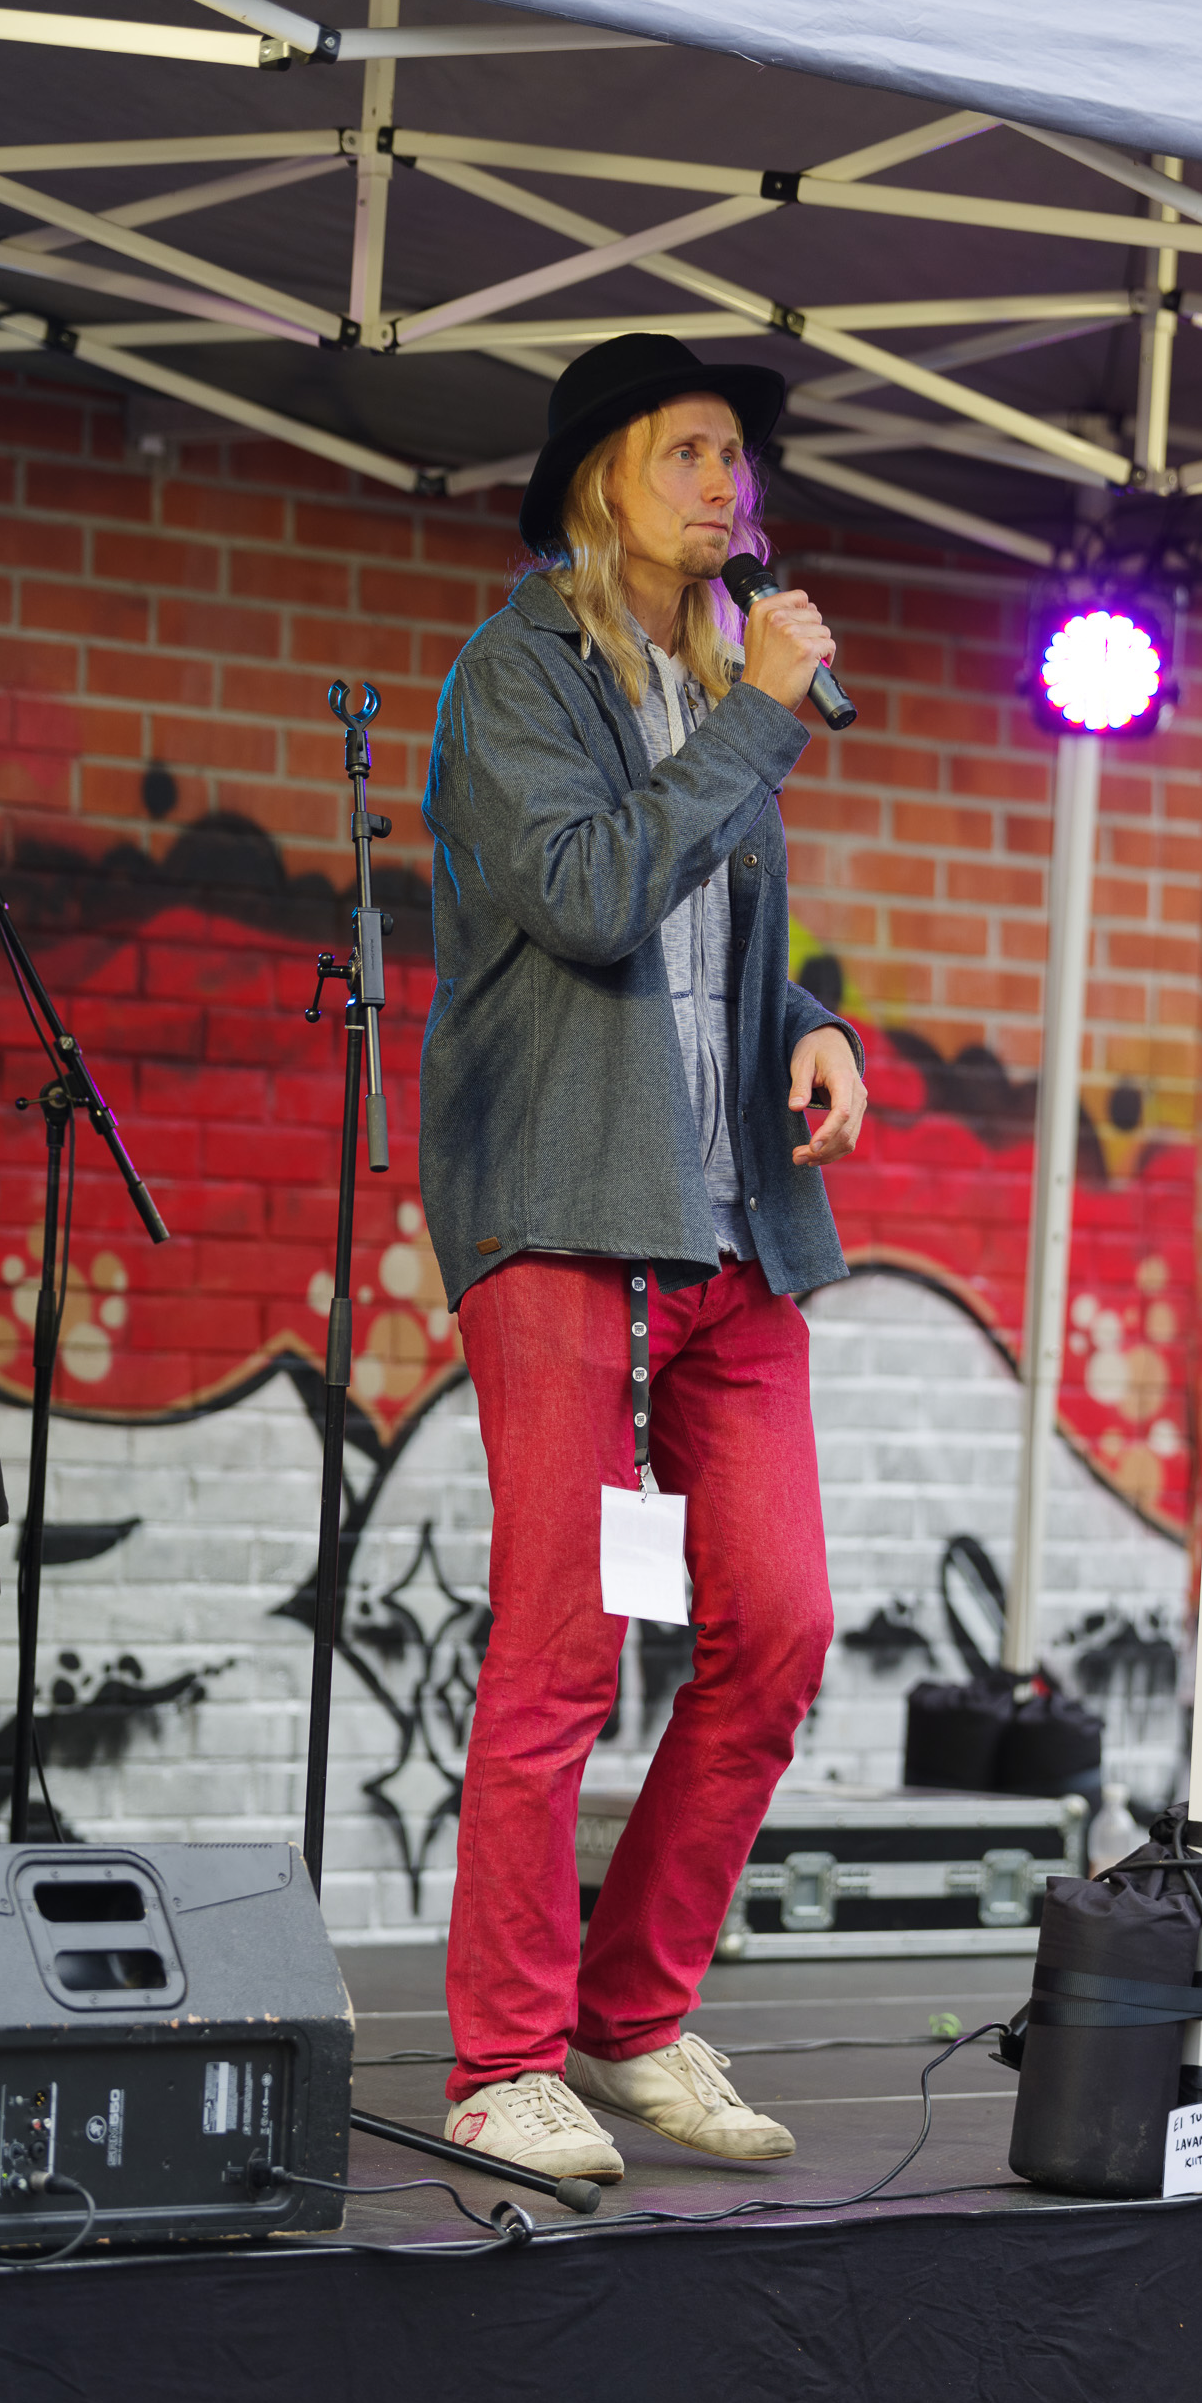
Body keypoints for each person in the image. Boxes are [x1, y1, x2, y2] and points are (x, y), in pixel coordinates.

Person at [419, 333, 867, 2182]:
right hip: (568, 1216)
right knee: (562, 1646)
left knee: (780, 1625)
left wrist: (816, 1026)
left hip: (726, 1226)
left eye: (738, 458)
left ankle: (630, 2016)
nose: (725, 485)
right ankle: (504, 2061)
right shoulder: (517, 673)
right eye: (690, 451)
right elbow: (592, 898)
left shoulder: (719, 680)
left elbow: (716, 956)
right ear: (602, 476)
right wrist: (756, 719)